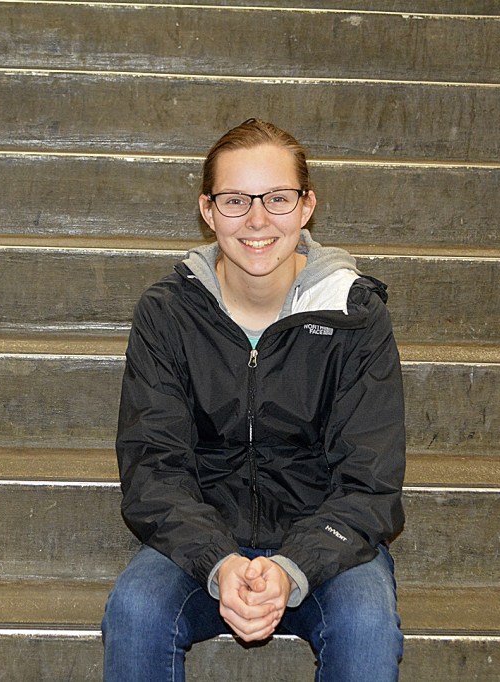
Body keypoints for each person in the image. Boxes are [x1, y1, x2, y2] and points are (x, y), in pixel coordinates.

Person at [101, 118, 406, 681]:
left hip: (327, 545)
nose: (258, 219)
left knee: (365, 624)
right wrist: (217, 561)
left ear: (307, 206)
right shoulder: (168, 314)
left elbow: (370, 484)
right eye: (236, 200)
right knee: (137, 610)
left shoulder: (354, 317)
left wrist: (294, 567)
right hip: (200, 542)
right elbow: (152, 470)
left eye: (278, 198)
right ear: (208, 210)